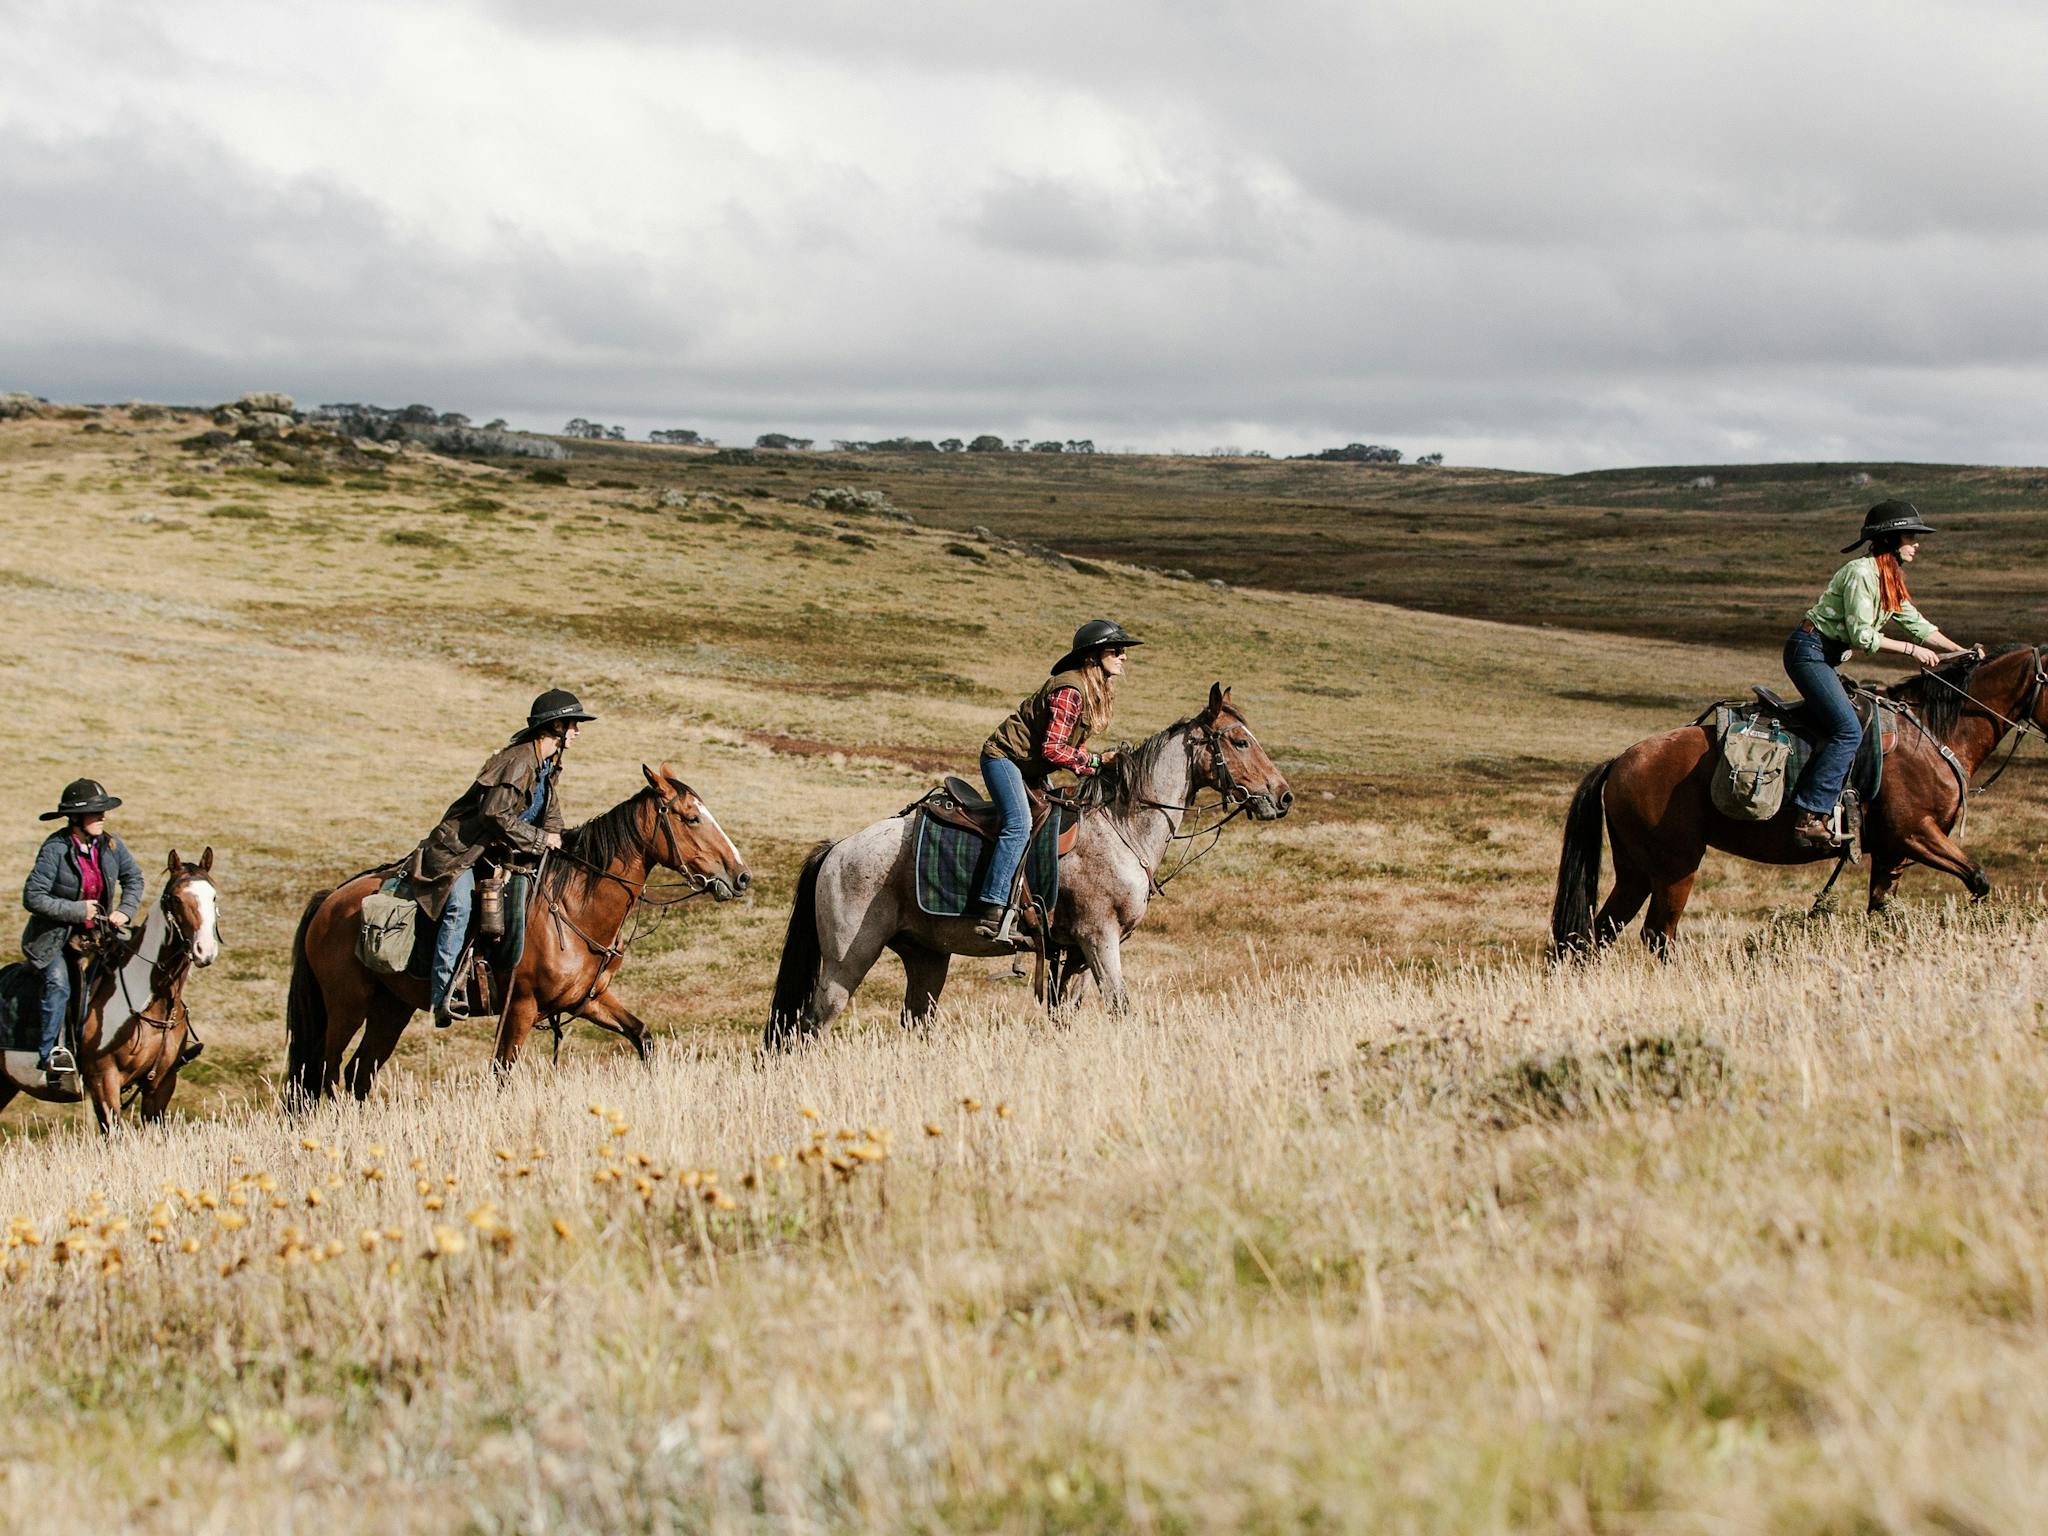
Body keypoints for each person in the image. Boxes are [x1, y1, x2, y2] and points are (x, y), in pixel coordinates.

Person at [404, 689, 593, 1027]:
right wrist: (540, 839)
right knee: (460, 905)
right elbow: (494, 814)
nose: (578, 731)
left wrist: (560, 842)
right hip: (458, 853)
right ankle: (444, 992)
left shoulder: (547, 764)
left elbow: (550, 817)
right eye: (574, 724)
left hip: (494, 853)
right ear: (557, 726)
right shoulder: (519, 760)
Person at [1786, 500, 1968, 846]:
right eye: (1910, 537)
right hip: (1808, 654)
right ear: (1891, 539)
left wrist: (1958, 651)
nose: (1916, 544)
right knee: (1846, 730)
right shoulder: (1860, 574)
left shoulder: (1888, 577)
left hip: (1825, 656)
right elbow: (1862, 636)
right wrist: (1913, 650)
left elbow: (1917, 624)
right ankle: (1809, 815)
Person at [971, 620, 1140, 942]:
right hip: (1004, 760)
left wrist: (1097, 767)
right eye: (1116, 650)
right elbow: (1053, 749)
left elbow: (1070, 746)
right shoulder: (1070, 690)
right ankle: (992, 907)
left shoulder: (1092, 689)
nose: (1124, 657)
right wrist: (1094, 761)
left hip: (1031, 768)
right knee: (1018, 825)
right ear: (1094, 656)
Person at [21, 779, 145, 1076]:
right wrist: (78, 910)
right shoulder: (55, 848)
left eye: (103, 811)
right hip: (54, 941)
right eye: (94, 812)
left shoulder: (112, 845)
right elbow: (33, 897)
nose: (102, 816)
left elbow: (134, 879)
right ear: (75, 818)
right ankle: (50, 1053)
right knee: (60, 985)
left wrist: (125, 912)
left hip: (98, 937)